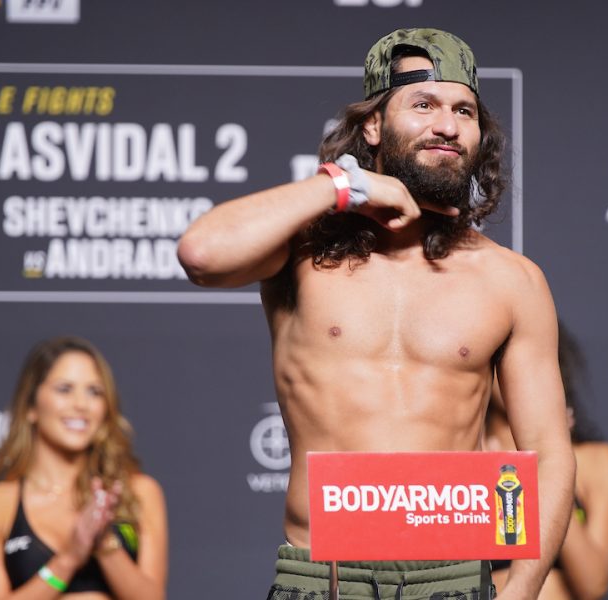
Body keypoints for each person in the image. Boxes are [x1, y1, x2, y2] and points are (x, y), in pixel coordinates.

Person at [178, 27, 575, 600]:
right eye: (423, 104)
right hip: (324, 577)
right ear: (372, 126)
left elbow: (548, 452)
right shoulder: (303, 253)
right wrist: (343, 185)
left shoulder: (512, 279)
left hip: (454, 579)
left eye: (464, 111)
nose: (447, 125)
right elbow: (201, 254)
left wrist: (522, 588)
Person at [0, 336, 168, 600]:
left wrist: (104, 542)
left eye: (94, 392)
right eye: (64, 389)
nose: (81, 404)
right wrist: (69, 558)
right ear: (30, 406)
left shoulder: (138, 492)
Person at [486, 324, 608, 600]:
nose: (515, 370)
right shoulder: (460, 458)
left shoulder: (595, 461)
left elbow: (594, 584)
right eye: (501, 358)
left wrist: (545, 468)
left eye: (527, 357)